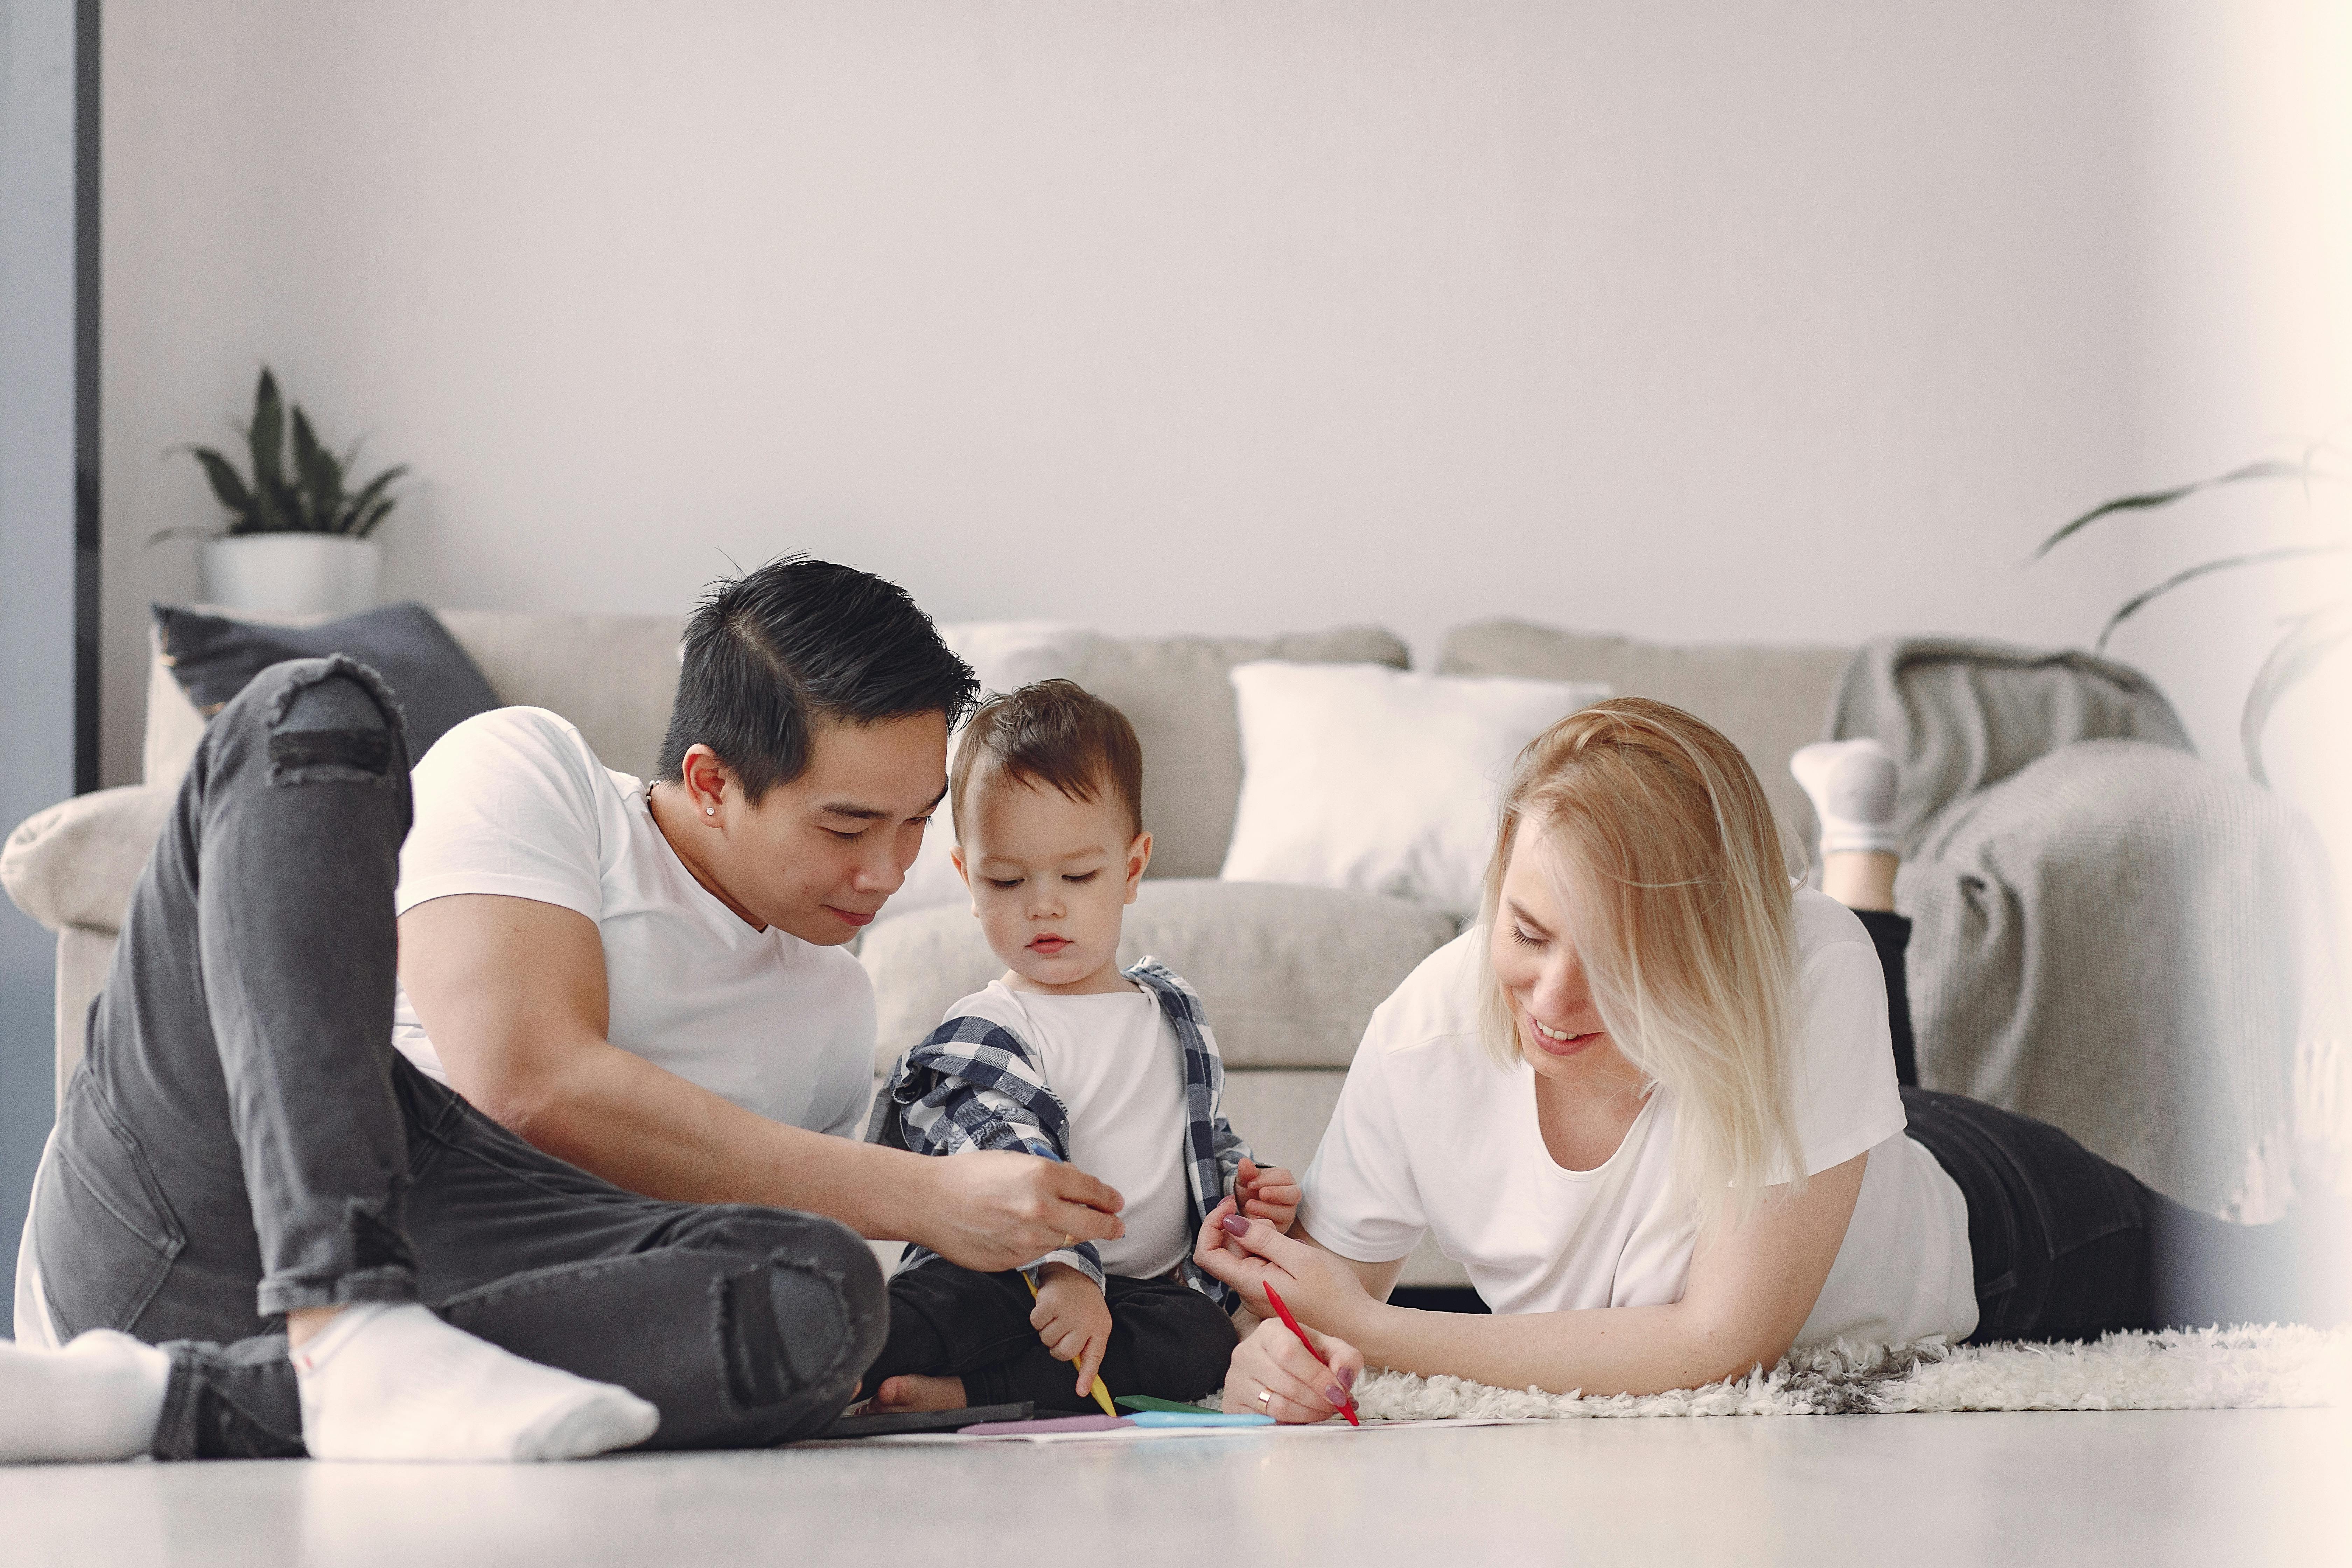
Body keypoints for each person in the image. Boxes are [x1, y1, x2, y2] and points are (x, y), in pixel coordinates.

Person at [2, 558, 1129, 1463]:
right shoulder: (533, 771)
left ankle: (173, 1401)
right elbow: (526, 1083)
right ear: (709, 782)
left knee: (824, 1295)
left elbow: (661, 1266)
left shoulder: (832, 1008)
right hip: (201, 1205)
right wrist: (925, 1197)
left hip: (457, 1305)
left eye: (914, 821)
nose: (888, 872)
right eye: (845, 828)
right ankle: (341, 1323)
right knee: (313, 707)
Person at [1196, 699, 2318, 1421]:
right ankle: (1862, 849)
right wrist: (1274, 1361)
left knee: (2293, 1273)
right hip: (1821, 1153)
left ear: (1714, 946)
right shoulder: (1423, 1033)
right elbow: (1302, 1309)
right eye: (1528, 933)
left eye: (1621, 963)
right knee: (1859, 1078)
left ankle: (1860, 877)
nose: (1554, 1000)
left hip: (1996, 1222)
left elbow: (1719, 1339)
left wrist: (1378, 1330)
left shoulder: (1801, 959)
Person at [863, 680, 1297, 1413]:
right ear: (969, 877)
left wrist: (1246, 1190)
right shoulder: (987, 1029)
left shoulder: (1172, 1010)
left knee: (1201, 1342)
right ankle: (846, 1361)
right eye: (1008, 879)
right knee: (938, 1306)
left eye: (1078, 874)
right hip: (1009, 1272)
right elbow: (1013, 1159)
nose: (1044, 904)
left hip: (1138, 1292)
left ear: (1131, 869)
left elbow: (1199, 1138)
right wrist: (1065, 1273)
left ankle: (964, 1395)